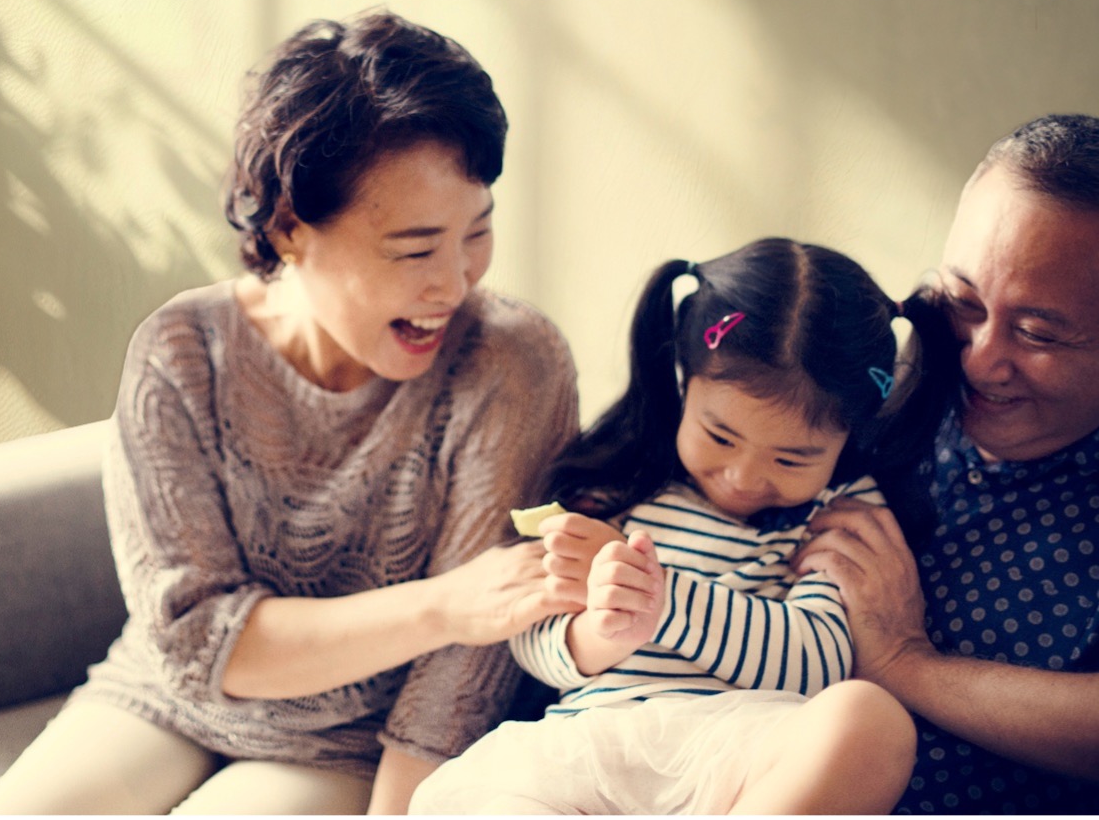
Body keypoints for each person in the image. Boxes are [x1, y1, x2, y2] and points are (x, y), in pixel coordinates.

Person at [0, 11, 582, 815]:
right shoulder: (181, 351)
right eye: (414, 248)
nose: (454, 280)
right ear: (291, 228)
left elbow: (459, 678)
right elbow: (194, 641)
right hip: (165, 699)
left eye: (478, 231)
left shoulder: (511, 362)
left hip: (353, 740)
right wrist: (443, 605)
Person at [797, 114, 1099, 813]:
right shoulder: (891, 386)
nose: (978, 356)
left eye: (1035, 331)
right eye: (963, 301)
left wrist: (908, 663)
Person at [411, 237, 961, 815]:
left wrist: (666, 601)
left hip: (742, 755)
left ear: (849, 437)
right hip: (591, 747)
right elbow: (534, 641)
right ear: (684, 384)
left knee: (871, 719)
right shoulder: (621, 487)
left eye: (793, 457)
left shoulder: (841, 513)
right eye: (720, 436)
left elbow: (818, 665)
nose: (744, 476)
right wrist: (604, 629)